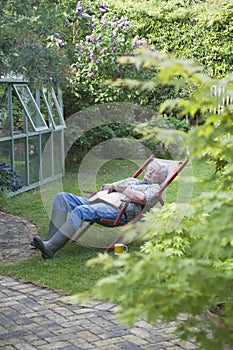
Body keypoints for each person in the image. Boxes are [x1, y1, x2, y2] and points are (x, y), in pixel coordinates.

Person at [32, 160, 168, 259]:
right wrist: (110, 186)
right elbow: (104, 188)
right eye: (150, 169)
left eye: (154, 172)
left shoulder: (154, 188)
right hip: (100, 201)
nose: (149, 172)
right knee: (62, 197)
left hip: (118, 210)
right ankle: (49, 240)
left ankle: (50, 248)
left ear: (160, 178)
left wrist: (121, 188)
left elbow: (141, 198)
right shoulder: (132, 180)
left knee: (80, 210)